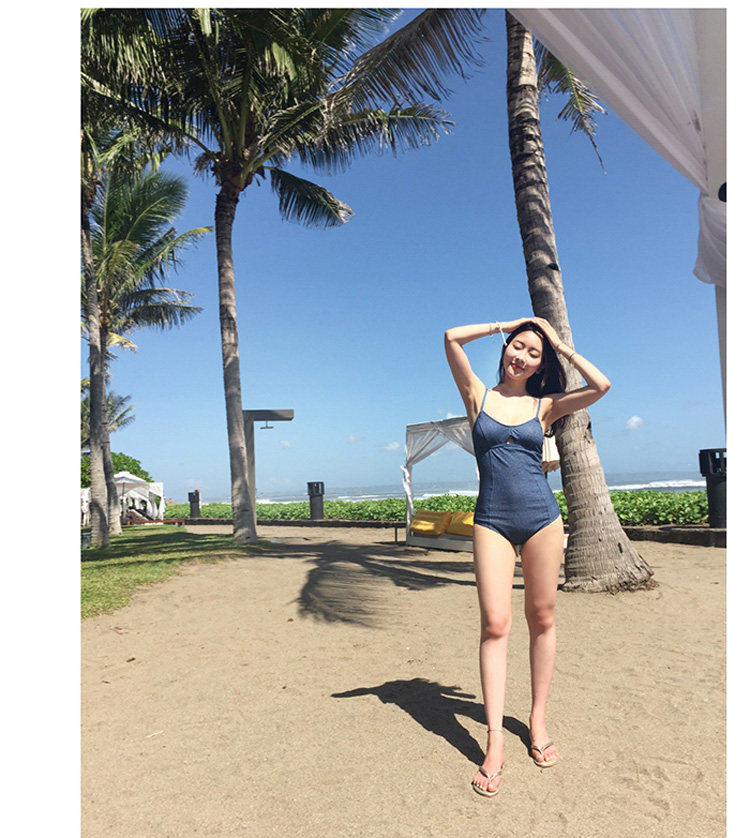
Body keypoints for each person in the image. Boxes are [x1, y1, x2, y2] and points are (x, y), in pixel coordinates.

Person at [444, 316, 610, 797]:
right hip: (492, 520)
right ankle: (495, 738)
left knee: (542, 617)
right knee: (495, 625)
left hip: (542, 519)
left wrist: (557, 342)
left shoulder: (546, 405)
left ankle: (537, 719)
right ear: (505, 348)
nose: (522, 356)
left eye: (533, 354)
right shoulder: (477, 395)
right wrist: (504, 324)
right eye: (518, 346)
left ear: (541, 366)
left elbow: (601, 386)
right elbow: (451, 337)